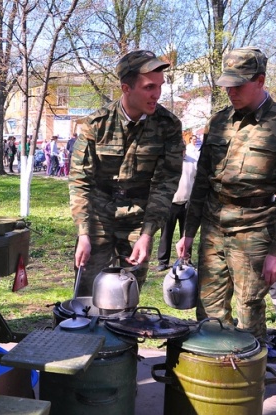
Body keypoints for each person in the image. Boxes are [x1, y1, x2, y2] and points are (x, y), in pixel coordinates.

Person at [176, 47, 276, 340]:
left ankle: (249, 380)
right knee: (208, 306)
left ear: (260, 80)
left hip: (255, 227)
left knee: (249, 306)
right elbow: (201, 182)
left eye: (239, 85)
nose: (231, 92)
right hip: (213, 226)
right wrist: (188, 232)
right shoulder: (219, 121)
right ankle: (213, 377)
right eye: (227, 85)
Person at [69, 49, 184, 295]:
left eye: (160, 86)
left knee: (128, 290)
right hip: (99, 214)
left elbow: (165, 184)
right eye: (149, 87)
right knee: (86, 290)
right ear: (126, 88)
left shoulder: (168, 126)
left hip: (138, 216)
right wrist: (84, 233)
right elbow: (80, 182)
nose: (157, 94)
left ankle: (125, 333)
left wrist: (147, 234)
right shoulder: (96, 125)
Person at [155, 134, 199, 271]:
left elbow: (197, 182)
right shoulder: (168, 163)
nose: (181, 152)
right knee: (165, 234)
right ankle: (163, 261)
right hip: (171, 204)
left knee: (186, 234)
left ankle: (186, 259)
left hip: (187, 204)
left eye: (182, 149)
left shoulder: (193, 162)